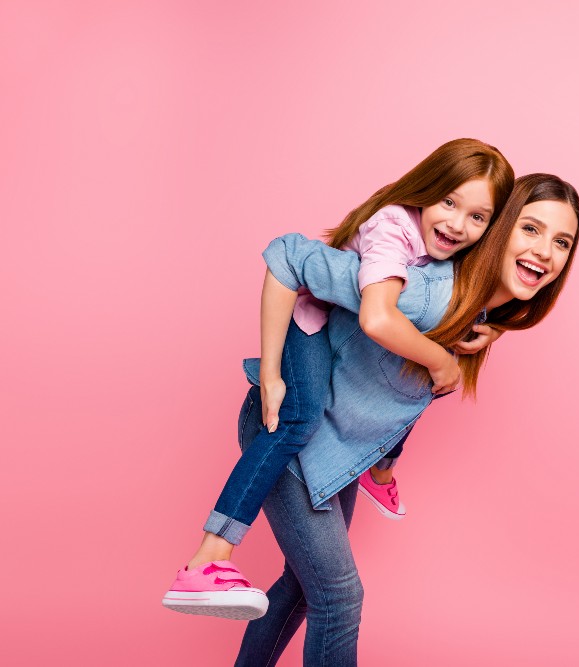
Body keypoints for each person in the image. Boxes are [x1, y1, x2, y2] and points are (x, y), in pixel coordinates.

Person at [232, 174, 579, 665]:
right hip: (287, 432)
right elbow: (298, 260)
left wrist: (493, 330)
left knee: (304, 587)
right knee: (339, 598)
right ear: (498, 229)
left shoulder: (473, 312)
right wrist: (272, 371)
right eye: (530, 229)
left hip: (336, 445)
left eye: (561, 241)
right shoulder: (425, 292)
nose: (544, 251)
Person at [162, 139, 513, 620]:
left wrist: (489, 325)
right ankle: (208, 559)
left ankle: (381, 468)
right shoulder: (392, 226)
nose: (456, 223)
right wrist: (270, 374)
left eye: (477, 216)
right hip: (312, 324)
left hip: (350, 365)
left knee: (401, 379)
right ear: (426, 190)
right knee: (298, 418)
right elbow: (376, 318)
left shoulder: (452, 263)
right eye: (449, 202)